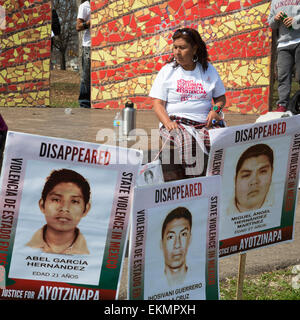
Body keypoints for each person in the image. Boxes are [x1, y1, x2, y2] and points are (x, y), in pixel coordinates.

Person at [149, 27, 226, 179]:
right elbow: (157, 104)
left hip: (205, 122)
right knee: (188, 143)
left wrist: (215, 110)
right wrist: (168, 122)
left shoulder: (208, 70)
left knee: (221, 140)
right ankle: (195, 183)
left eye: (182, 48)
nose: (177, 52)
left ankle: (216, 180)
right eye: (175, 47)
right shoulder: (167, 71)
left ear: (194, 48)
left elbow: (221, 98)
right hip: (177, 123)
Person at [26, 169, 91, 255]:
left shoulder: (95, 253)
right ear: (42, 205)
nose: (64, 208)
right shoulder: (21, 245)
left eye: (74, 201)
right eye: (56, 199)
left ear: (86, 209)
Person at [268, 2, 300, 112]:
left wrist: (295, 20)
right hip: (283, 44)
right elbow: (271, 23)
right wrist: (275, 19)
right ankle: (282, 105)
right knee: (283, 77)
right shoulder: (274, 2)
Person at [228, 144, 274, 214]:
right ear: (235, 180)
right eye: (246, 175)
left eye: (262, 172)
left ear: (272, 173)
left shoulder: (279, 205)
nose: (254, 181)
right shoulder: (223, 212)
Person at [160, 207, 192, 287]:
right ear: (161, 244)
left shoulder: (199, 277)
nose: (177, 245)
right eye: (171, 237)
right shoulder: (152, 284)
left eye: (183, 234)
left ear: (190, 240)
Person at [76, 0, 91, 108]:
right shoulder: (85, 6)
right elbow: (78, 27)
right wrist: (88, 23)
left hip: (102, 43)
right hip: (88, 45)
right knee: (86, 75)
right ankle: (84, 102)